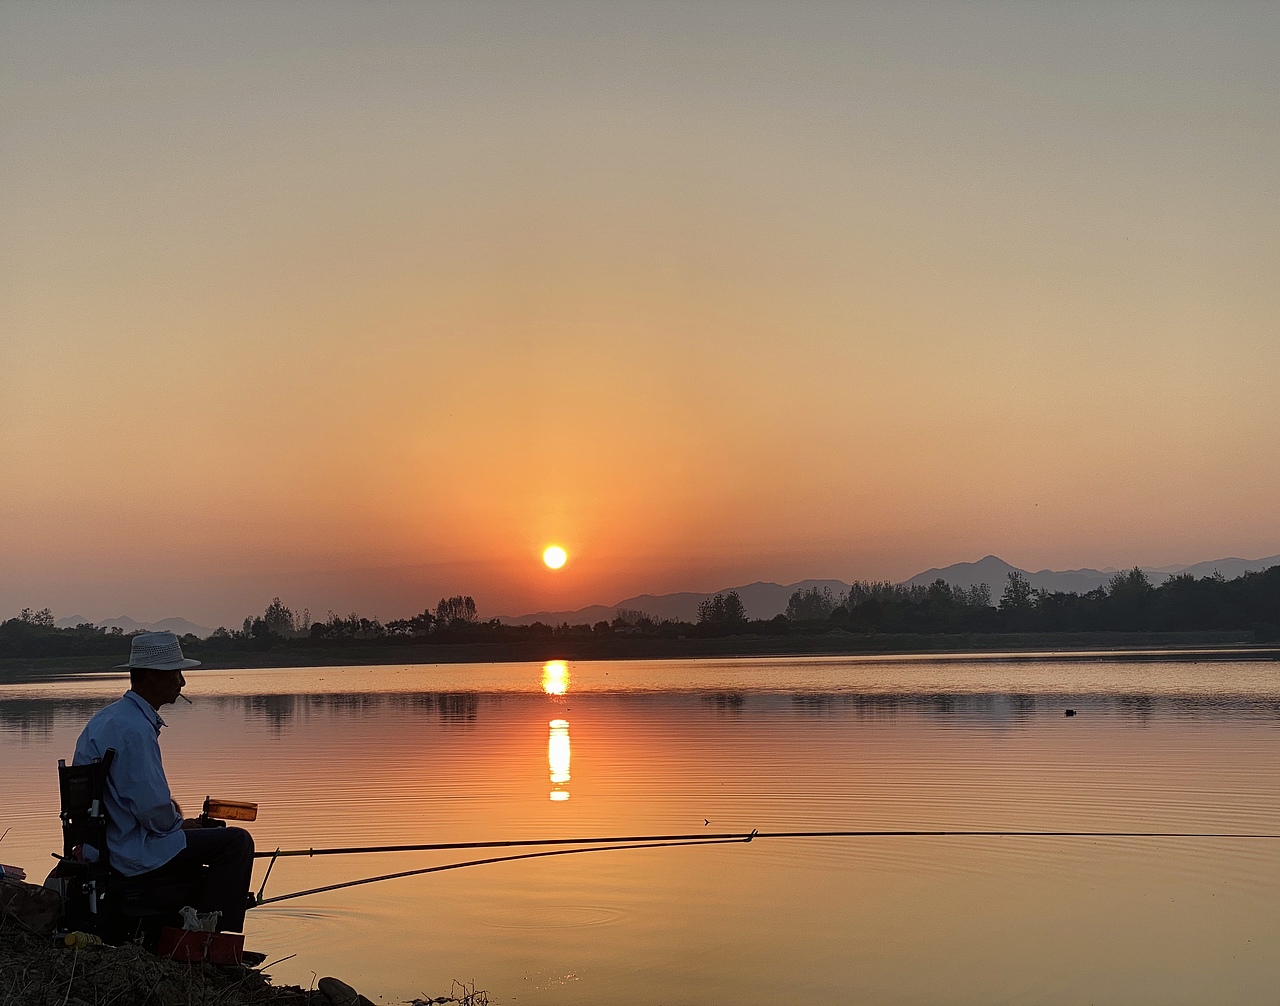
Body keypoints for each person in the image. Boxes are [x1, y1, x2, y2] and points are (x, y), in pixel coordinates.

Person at [73, 631, 255, 932]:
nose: (182, 682)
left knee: (211, 833)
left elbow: (139, 801)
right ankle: (214, 940)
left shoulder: (108, 718)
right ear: (152, 678)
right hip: (129, 850)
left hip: (104, 844)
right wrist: (179, 824)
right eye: (176, 673)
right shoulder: (134, 730)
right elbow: (152, 810)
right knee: (235, 843)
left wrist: (175, 820)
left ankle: (190, 923)